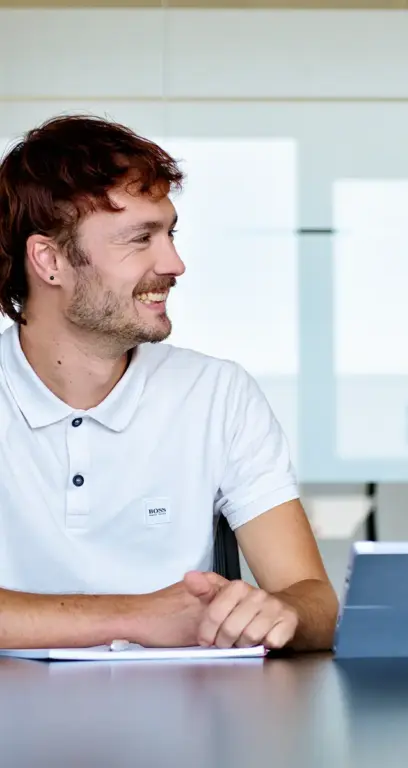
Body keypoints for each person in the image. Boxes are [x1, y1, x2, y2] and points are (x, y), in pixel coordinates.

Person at [0, 114, 338, 651]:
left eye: (170, 232)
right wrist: (135, 616)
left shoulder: (218, 393)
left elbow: (317, 601)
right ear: (50, 260)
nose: (175, 263)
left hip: (186, 723)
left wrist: (278, 611)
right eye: (140, 239)